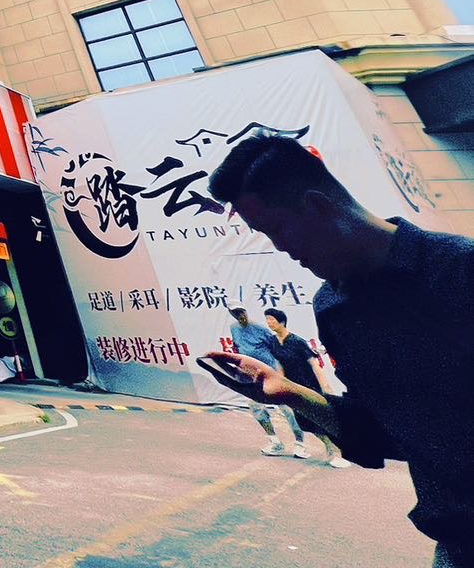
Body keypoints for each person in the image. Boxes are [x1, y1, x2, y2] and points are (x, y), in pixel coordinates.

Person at [202, 135, 474, 568]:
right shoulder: (334, 309)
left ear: (316, 206)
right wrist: (287, 391)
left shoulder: (460, 270)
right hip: (458, 544)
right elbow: (381, 430)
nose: (280, 248)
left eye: (276, 230)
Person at [261, 307, 350, 467]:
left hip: (310, 386)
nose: (269, 323)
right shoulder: (273, 342)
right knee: (305, 422)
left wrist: (325, 386)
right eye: (267, 319)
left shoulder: (297, 341)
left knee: (321, 419)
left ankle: (337, 452)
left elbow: (314, 364)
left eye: (272, 320)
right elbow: (279, 365)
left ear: (282, 322)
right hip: (293, 389)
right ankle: (330, 448)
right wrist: (281, 387)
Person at [226, 305, 309, 458]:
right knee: (256, 407)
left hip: (272, 373)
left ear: (245, 311)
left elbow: (276, 347)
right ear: (231, 313)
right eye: (236, 313)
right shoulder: (234, 328)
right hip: (253, 376)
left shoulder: (260, 329)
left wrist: (284, 371)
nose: (240, 315)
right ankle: (275, 442)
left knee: (287, 408)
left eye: (241, 312)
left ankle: (300, 444)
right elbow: (238, 347)